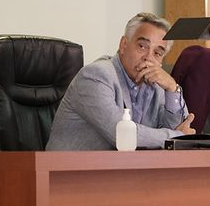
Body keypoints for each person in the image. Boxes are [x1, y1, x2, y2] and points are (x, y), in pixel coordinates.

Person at [47, 12, 195, 150]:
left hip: (121, 172)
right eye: (142, 46)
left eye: (157, 53)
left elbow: (180, 129)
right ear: (123, 44)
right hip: (67, 173)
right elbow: (122, 135)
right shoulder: (96, 76)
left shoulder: (157, 85)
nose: (149, 58)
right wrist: (177, 137)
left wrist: (172, 88)